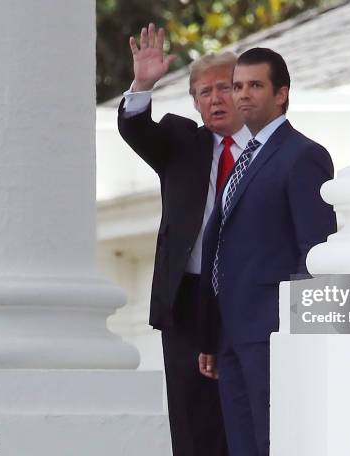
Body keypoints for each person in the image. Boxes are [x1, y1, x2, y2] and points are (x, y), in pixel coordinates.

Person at [117, 23, 251, 456]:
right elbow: (136, 129)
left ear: (246, 91)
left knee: (249, 409)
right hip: (189, 300)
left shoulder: (272, 148)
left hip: (249, 296)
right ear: (195, 103)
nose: (215, 99)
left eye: (225, 88)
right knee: (192, 419)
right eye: (204, 92)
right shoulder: (179, 143)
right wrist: (143, 83)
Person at [197, 48, 337, 456]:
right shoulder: (244, 158)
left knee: (275, 441)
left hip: (273, 332)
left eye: (255, 85)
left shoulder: (303, 155)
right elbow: (223, 246)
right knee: (242, 444)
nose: (242, 95)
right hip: (230, 333)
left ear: (281, 94)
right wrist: (212, 331)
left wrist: (293, 331)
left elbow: (314, 253)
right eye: (237, 86)